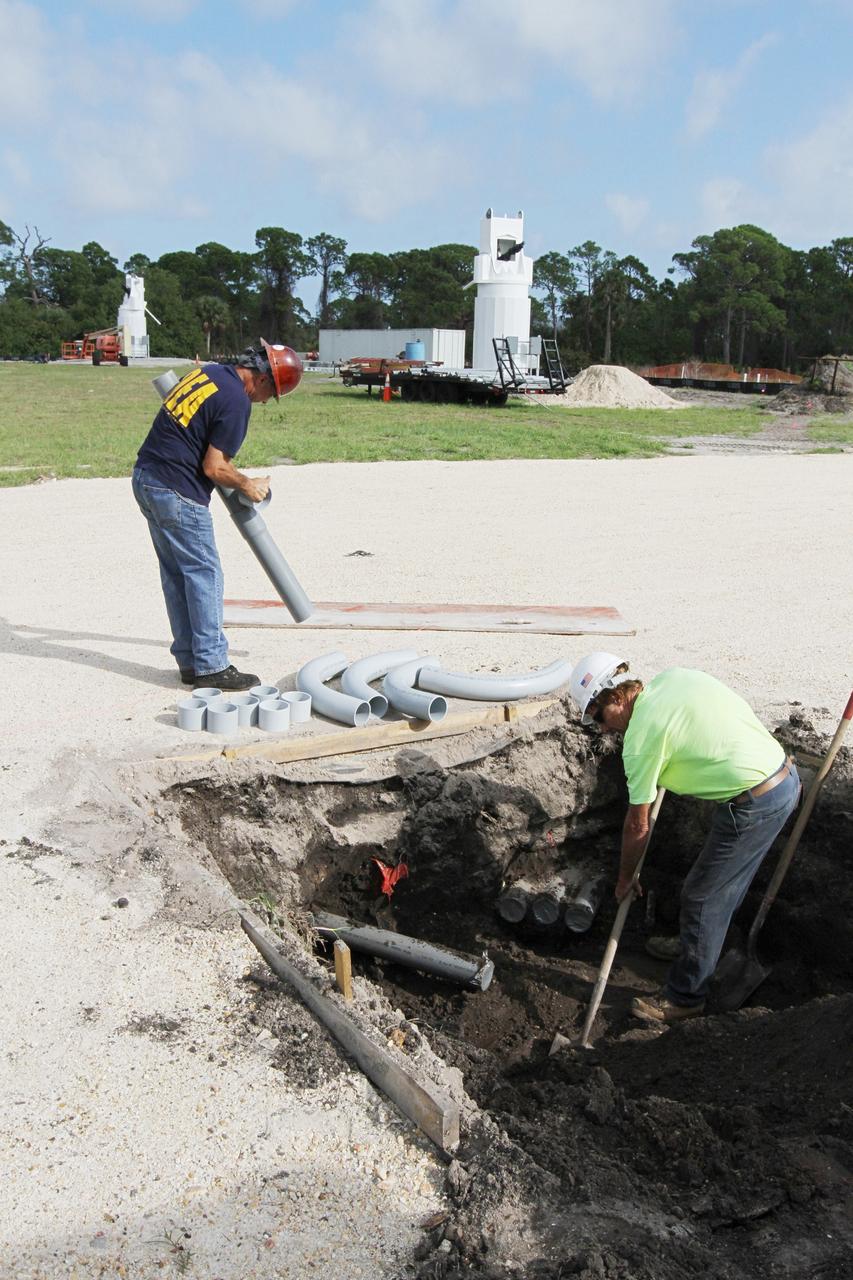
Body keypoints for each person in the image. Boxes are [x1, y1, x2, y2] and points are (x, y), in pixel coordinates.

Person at [569, 654, 800, 1024]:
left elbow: (637, 826)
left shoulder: (641, 739)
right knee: (721, 889)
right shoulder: (673, 680)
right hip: (783, 779)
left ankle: (686, 997)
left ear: (613, 696)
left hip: (755, 802)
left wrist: (626, 878)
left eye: (598, 717)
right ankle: (701, 947)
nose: (604, 729)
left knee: (702, 895)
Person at [133, 339, 302, 691]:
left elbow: (196, 436)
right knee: (203, 574)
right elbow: (214, 466)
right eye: (272, 394)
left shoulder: (210, 375)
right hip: (177, 489)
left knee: (178, 575)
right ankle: (211, 665)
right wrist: (247, 484)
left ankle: (190, 661)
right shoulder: (237, 401)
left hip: (147, 478)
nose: (268, 401)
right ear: (264, 379)